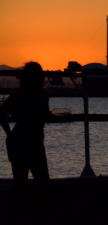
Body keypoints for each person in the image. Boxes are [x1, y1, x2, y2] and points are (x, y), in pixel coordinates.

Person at [0, 62, 51, 224]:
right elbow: (44, 116)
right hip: (35, 144)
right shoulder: (42, 96)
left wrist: (9, 133)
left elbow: (1, 114)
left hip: (18, 141)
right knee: (43, 185)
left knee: (19, 185)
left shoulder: (17, 96)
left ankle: (14, 218)